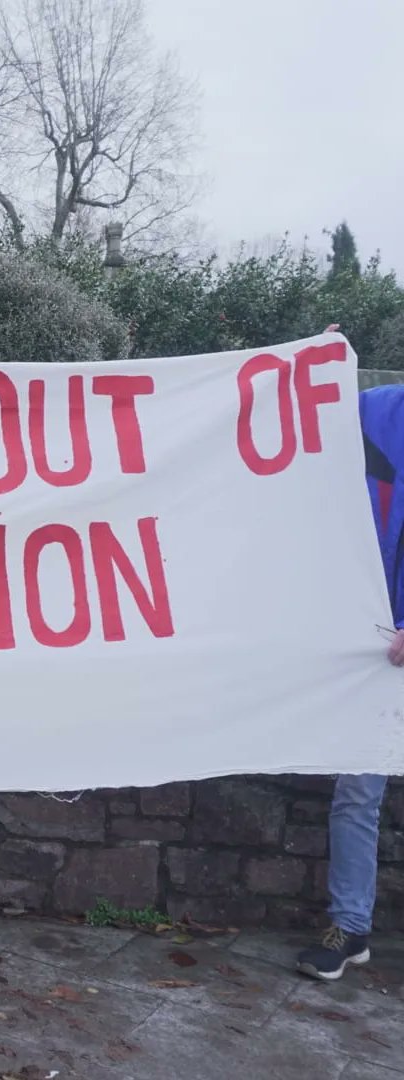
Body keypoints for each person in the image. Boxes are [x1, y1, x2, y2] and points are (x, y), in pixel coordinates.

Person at [297, 328, 404, 979]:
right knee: (357, 794)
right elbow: (297, 423)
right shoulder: (376, 411)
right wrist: (305, 362)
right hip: (374, 643)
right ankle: (350, 927)